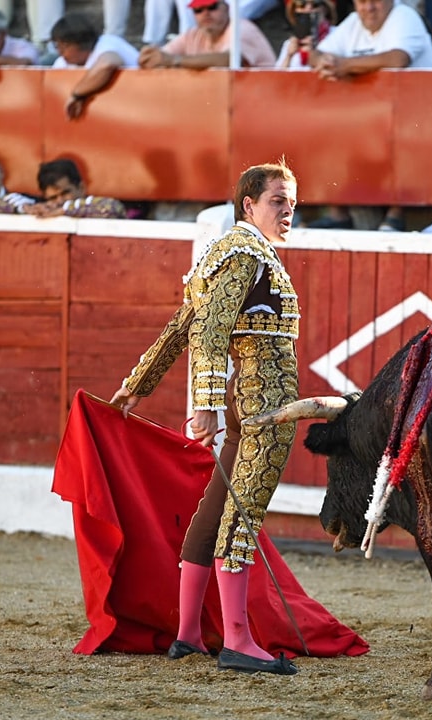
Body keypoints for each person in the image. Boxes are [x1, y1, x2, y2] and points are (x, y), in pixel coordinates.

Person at [109, 159, 301, 675]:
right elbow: (208, 335)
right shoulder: (244, 255)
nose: (287, 212)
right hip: (263, 403)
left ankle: (189, 634)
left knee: (216, 509)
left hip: (250, 399)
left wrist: (138, 384)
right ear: (249, 205)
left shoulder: (231, 254)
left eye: (292, 203)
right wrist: (204, 404)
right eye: (277, 202)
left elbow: (182, 325)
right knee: (242, 515)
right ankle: (237, 640)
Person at [304, 0, 432, 231]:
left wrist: (344, 65)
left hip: (419, 113)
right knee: (321, 123)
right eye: (362, 1)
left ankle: (397, 212)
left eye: (375, 0)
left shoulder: (404, 17)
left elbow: (398, 59)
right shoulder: (354, 23)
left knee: (396, 127)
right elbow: (318, 54)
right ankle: (338, 211)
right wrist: (323, 61)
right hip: (369, 115)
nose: (368, 8)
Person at [51, 13, 140, 121]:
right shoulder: (63, 61)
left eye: (64, 46)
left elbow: (108, 64)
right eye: (57, 46)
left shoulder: (107, 43)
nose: (60, 51)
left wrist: (77, 94)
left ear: (81, 43)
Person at [139, 0, 277, 69]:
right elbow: (159, 57)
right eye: (198, 10)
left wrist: (174, 60)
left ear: (226, 8)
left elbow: (230, 60)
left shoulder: (241, 27)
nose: (206, 13)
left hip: (265, 99)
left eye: (212, 7)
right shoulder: (193, 34)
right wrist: (151, 55)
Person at [22, 158, 128, 218]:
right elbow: (6, 203)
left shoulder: (95, 206)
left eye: (65, 193)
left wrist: (64, 210)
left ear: (81, 188)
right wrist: (26, 208)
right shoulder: (43, 208)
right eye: (53, 198)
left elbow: (113, 208)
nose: (60, 201)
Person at [277, 0, 337, 69]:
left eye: (315, 4)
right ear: (294, 10)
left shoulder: (337, 35)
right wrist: (289, 56)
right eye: (301, 4)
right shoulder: (289, 44)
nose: (308, 8)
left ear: (325, 9)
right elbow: (276, 77)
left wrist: (315, 55)